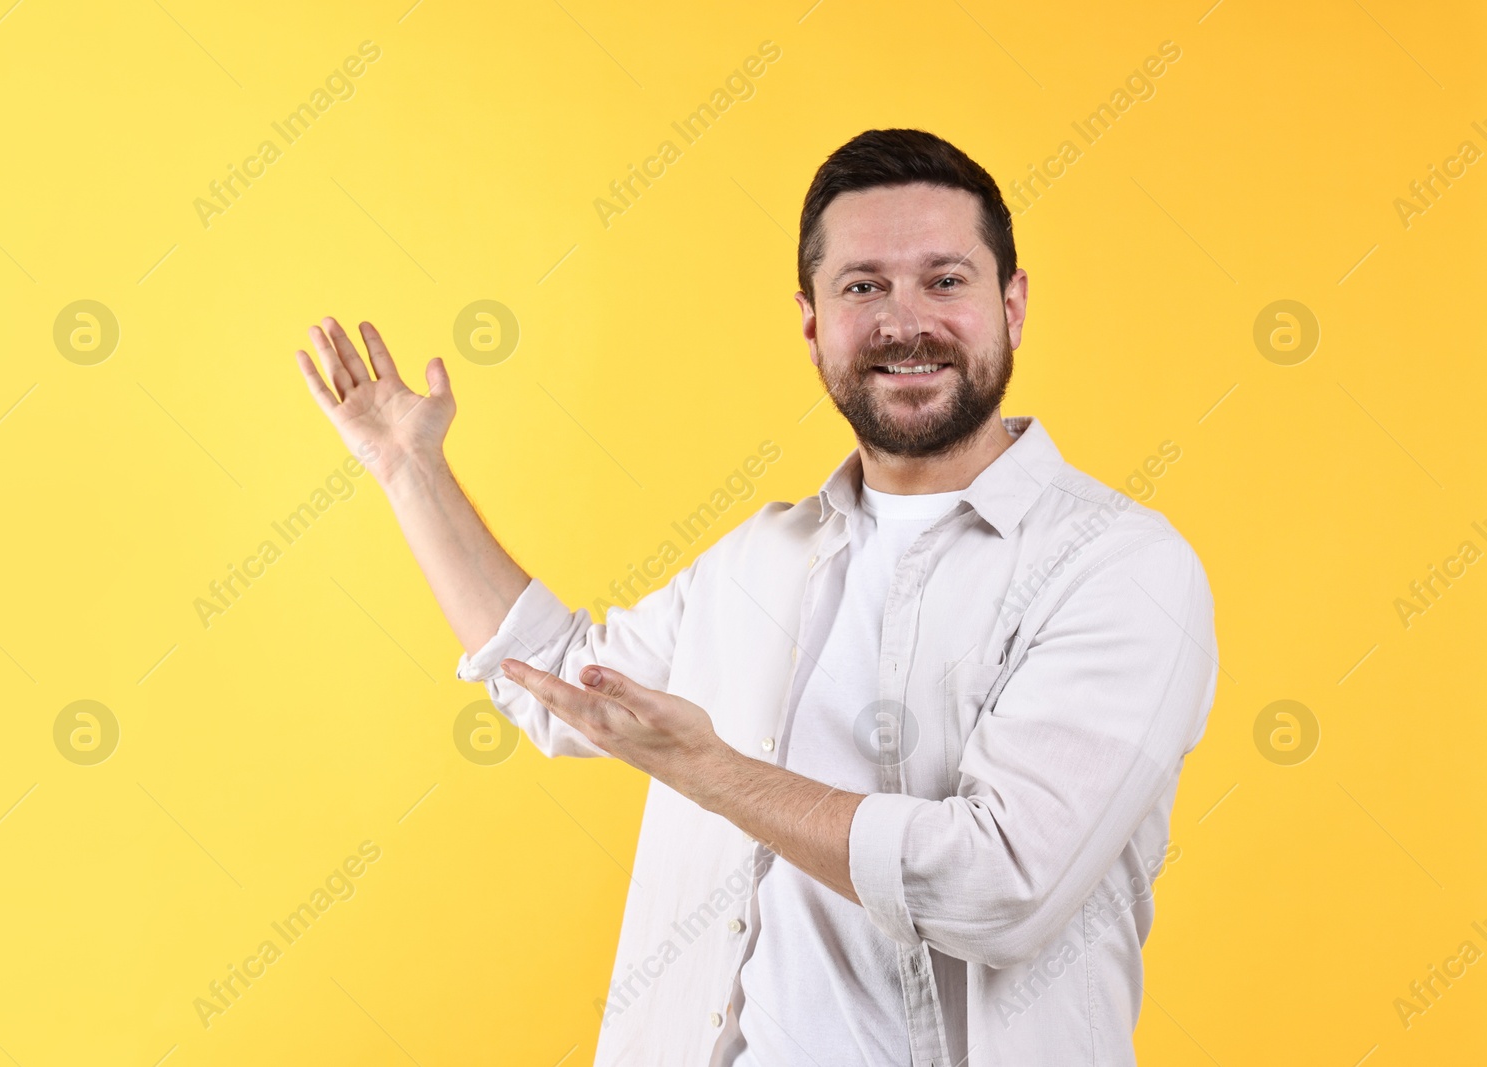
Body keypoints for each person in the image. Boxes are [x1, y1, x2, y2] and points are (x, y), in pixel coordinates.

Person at [294, 127, 1218, 1067]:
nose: (906, 322)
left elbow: (998, 885)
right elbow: (570, 685)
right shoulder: (763, 556)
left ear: (1012, 306)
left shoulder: (1121, 568)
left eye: (946, 280)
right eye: (864, 286)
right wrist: (411, 470)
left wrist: (716, 772)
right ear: (813, 322)